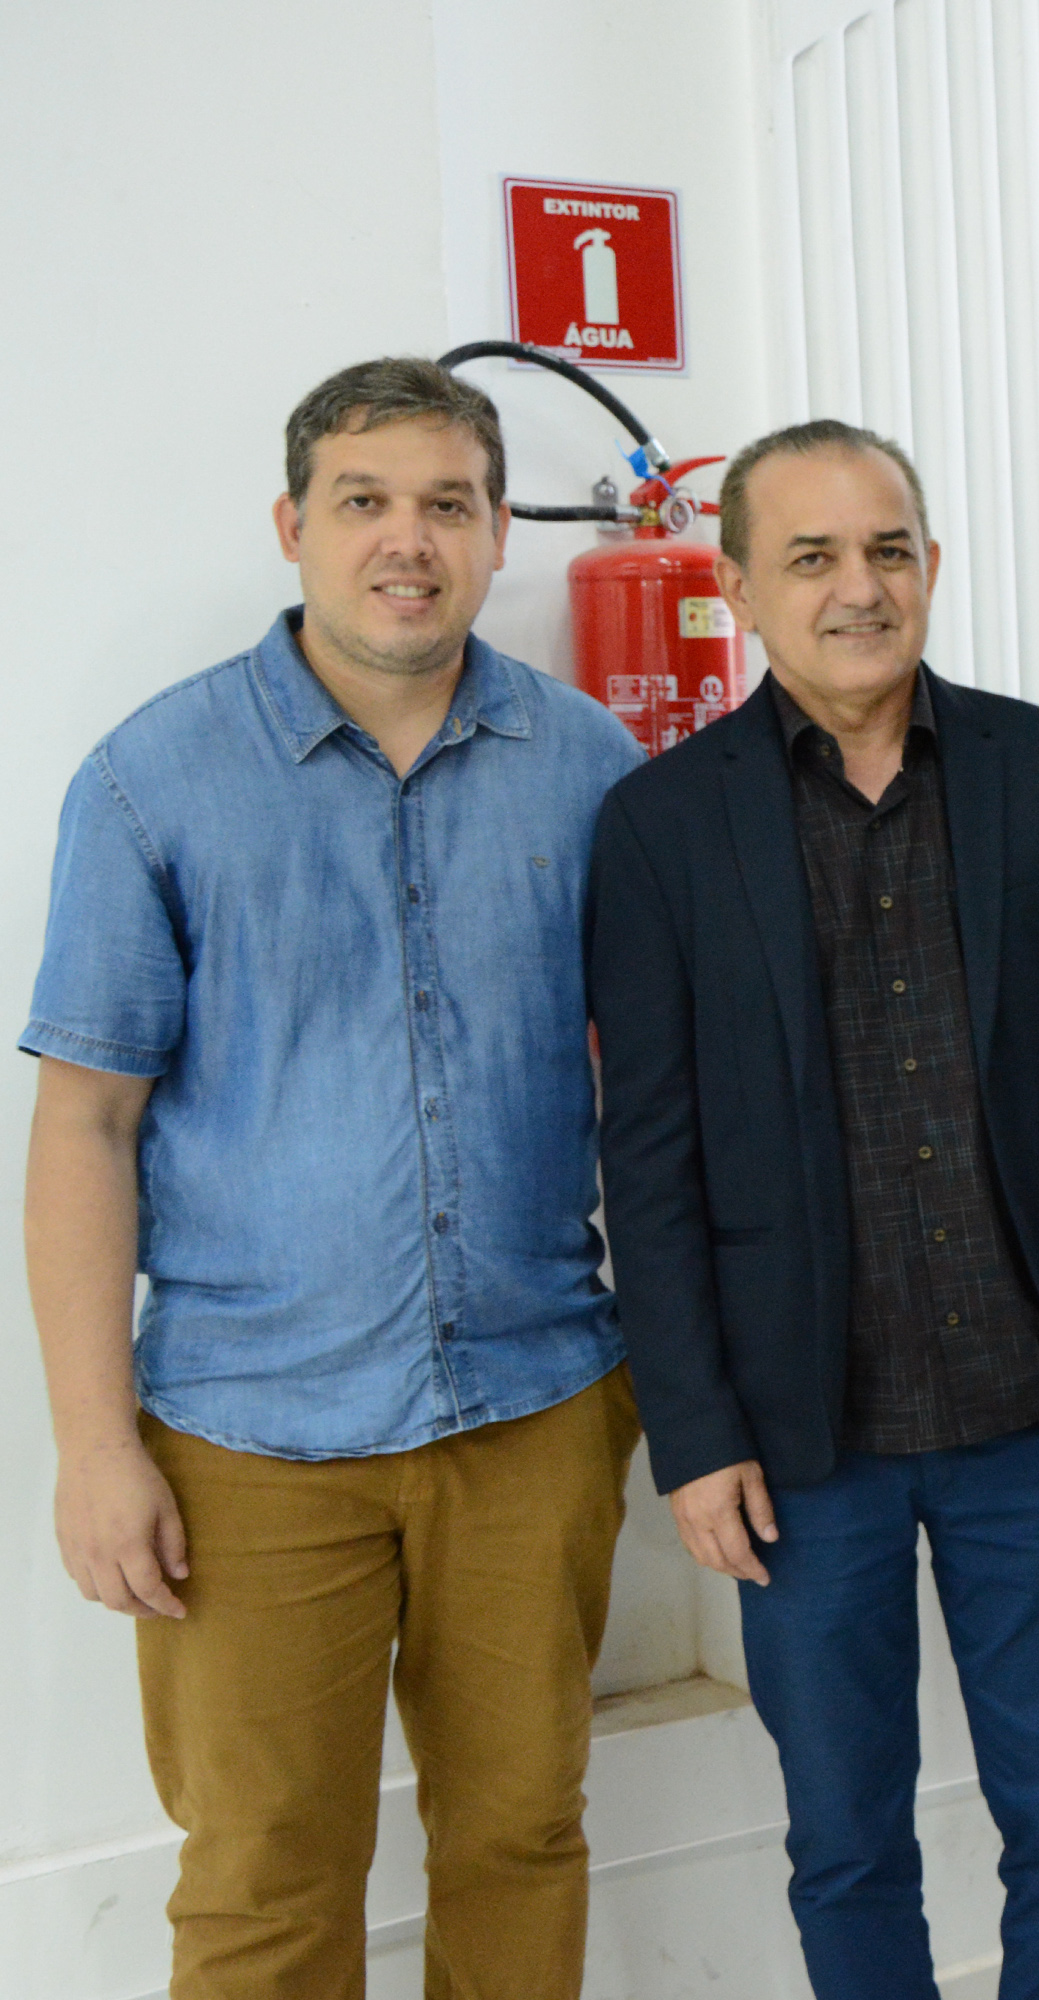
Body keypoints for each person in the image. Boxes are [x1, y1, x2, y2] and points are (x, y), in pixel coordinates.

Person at [24, 358, 646, 1997]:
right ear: (292, 525)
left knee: (521, 1840)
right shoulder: (154, 779)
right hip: (247, 1440)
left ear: (498, 532)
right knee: (263, 1881)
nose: (406, 540)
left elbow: (669, 1097)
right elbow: (84, 1128)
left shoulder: (593, 768)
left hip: (534, 1414)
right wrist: (94, 1445)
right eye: (364, 501)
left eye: (448, 503)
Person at [587, 419, 1039, 1999]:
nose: (860, 587)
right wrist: (693, 1432)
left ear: (931, 565)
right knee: (847, 1843)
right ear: (737, 590)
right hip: (799, 1445)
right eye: (813, 557)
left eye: (888, 549)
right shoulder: (660, 828)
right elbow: (647, 1160)